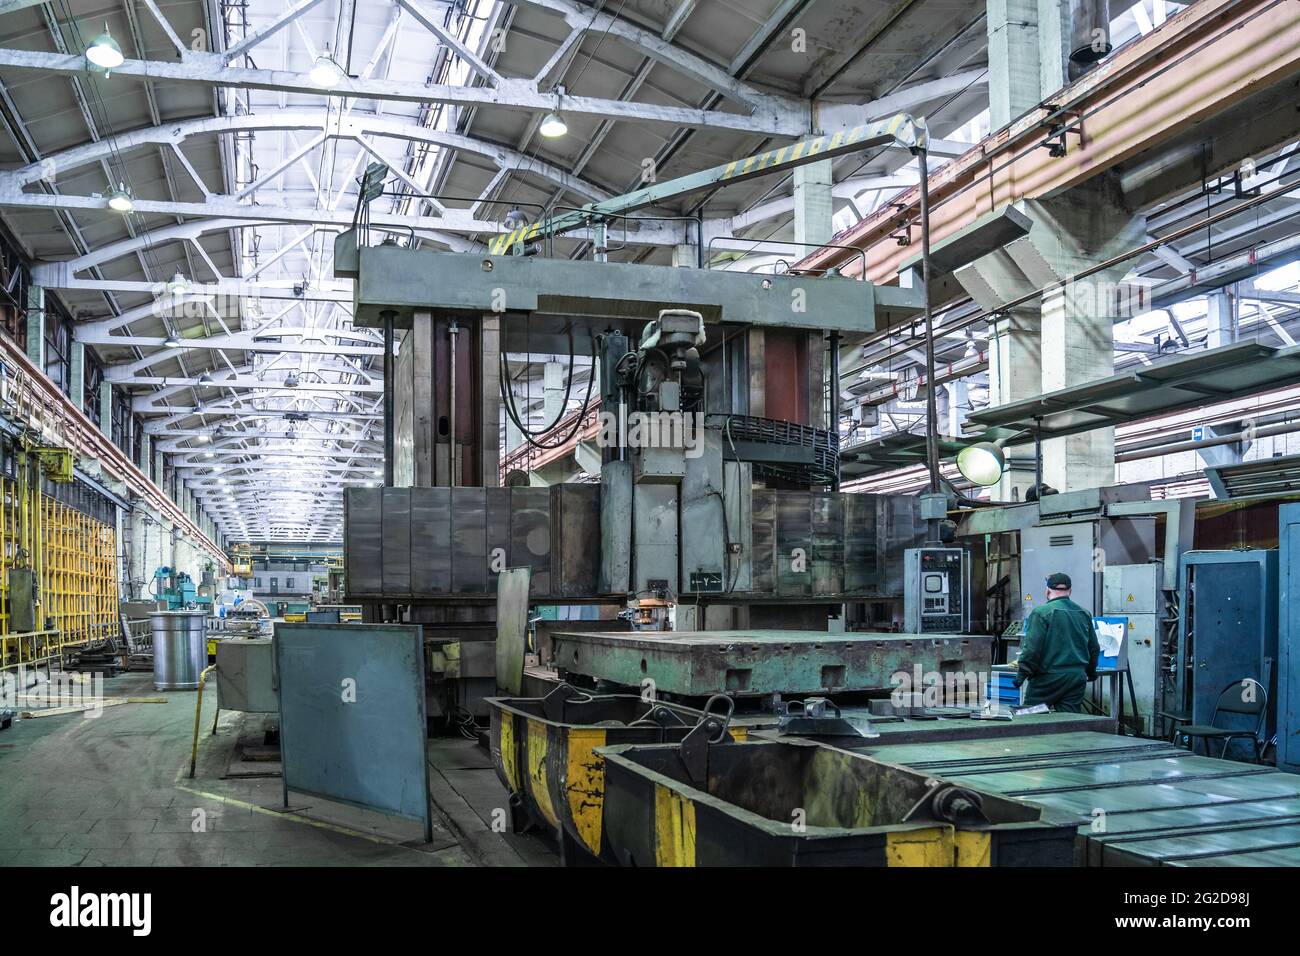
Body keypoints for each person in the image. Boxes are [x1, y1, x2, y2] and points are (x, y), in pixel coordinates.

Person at [1014, 572, 1100, 713]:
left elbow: (1032, 649)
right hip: (1076, 678)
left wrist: (1021, 675)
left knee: (1032, 718)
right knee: (1068, 722)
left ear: (1047, 591)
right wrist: (1091, 672)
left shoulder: (1041, 612)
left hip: (1047, 678)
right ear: (1070, 591)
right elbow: (1094, 648)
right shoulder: (1084, 613)